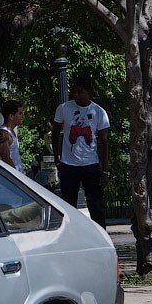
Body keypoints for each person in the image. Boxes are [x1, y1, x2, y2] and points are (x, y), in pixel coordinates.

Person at [52, 78, 111, 229]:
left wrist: (105, 169)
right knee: (68, 206)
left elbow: (104, 142)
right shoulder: (64, 108)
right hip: (69, 165)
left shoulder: (99, 112)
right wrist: (57, 158)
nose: (77, 95)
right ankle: (70, 235)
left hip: (91, 165)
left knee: (96, 206)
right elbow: (56, 132)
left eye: (80, 92)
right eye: (75, 92)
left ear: (88, 92)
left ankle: (100, 235)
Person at [0, 100, 26, 172]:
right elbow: (7, 160)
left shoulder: (11, 133)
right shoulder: (2, 134)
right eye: (20, 113)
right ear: (11, 116)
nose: (23, 116)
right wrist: (17, 178)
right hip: (11, 178)